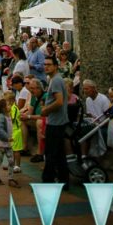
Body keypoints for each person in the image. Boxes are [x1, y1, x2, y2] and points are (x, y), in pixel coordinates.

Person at [40, 55, 70, 189]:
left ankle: (47, 182)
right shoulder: (54, 80)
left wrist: (46, 110)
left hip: (56, 123)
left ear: (55, 66)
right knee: (59, 154)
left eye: (49, 64)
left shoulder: (56, 81)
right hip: (57, 121)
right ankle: (64, 181)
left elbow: (59, 101)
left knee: (50, 154)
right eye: (45, 64)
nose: (46, 66)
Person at [0, 97, 19, 186]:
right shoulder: (1, 117)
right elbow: (0, 129)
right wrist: (7, 137)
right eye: (8, 105)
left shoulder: (8, 115)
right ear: (3, 108)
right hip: (1, 143)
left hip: (8, 144)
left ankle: (10, 178)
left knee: (11, 161)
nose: (10, 106)